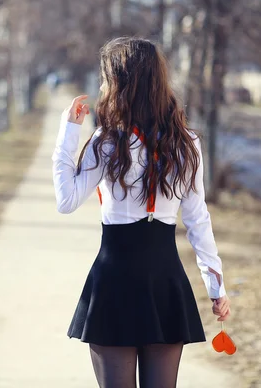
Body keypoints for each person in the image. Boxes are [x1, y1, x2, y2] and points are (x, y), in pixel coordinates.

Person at [52, 37, 231, 388]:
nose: (103, 86)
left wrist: (69, 131)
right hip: (165, 283)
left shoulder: (106, 141)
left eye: (106, 78)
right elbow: (197, 219)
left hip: (114, 283)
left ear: (121, 83)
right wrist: (216, 287)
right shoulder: (186, 142)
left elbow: (66, 200)